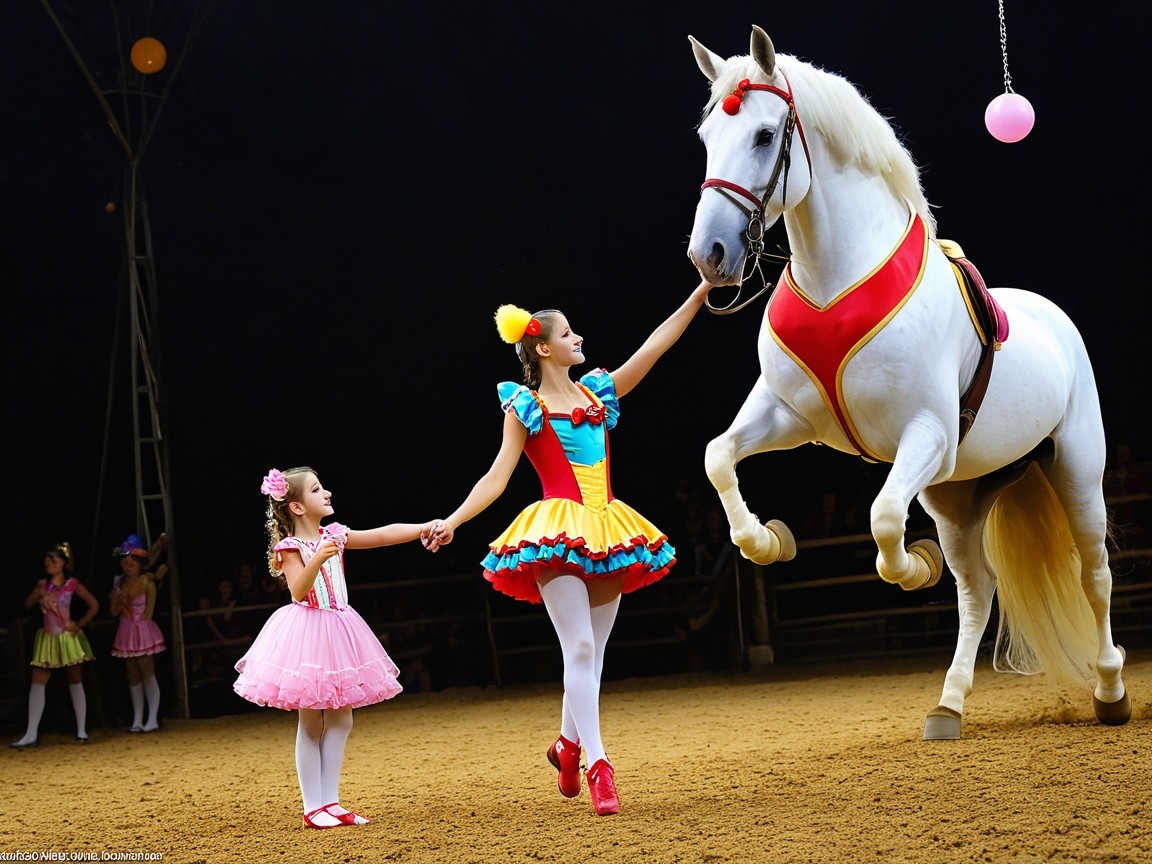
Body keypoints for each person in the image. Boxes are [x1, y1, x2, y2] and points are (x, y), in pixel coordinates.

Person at [425, 280, 712, 815]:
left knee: (592, 654)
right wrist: (455, 519)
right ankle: (599, 764)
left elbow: (654, 347)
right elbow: (497, 476)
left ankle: (565, 745)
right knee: (579, 649)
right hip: (555, 530)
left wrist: (699, 293)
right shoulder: (524, 406)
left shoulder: (597, 392)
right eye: (567, 332)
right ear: (543, 347)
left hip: (607, 529)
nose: (578, 337)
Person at [233, 466, 437, 830]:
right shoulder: (290, 546)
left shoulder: (335, 535)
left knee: (342, 718)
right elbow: (298, 591)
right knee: (311, 719)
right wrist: (318, 557)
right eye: (316, 489)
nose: (326, 493)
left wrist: (422, 528)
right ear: (297, 507)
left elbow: (382, 536)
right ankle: (313, 807)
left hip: (340, 629)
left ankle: (331, 801)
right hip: (308, 632)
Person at [10, 542, 100, 748]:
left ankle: (82, 729)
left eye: (53, 560)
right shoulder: (43, 584)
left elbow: (93, 604)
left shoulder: (72, 584)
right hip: (48, 637)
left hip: (66, 637)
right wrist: (37, 593)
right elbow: (28, 604)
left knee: (74, 677)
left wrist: (80, 624)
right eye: (47, 560)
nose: (48, 563)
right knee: (38, 678)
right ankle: (31, 733)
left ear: (62, 563)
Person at [109, 534, 168, 732]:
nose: (128, 564)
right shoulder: (118, 584)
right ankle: (137, 719)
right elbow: (113, 611)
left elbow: (149, 610)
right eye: (126, 561)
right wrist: (120, 599)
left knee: (147, 672)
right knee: (132, 674)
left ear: (141, 563)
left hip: (142, 628)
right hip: (126, 630)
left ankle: (152, 718)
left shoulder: (146, 581)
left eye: (133, 561)